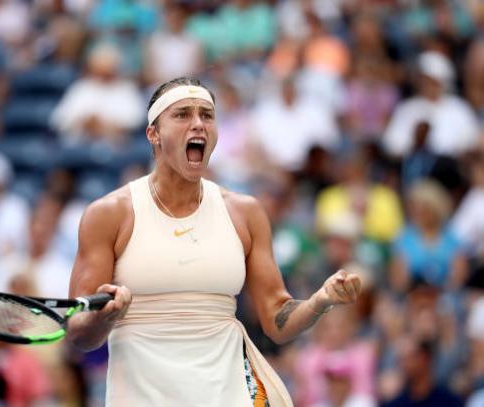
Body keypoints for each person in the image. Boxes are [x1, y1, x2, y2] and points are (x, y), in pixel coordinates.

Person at [66, 77, 362, 406]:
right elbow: (78, 332)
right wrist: (104, 316)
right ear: (154, 134)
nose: (199, 124)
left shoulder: (245, 212)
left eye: (207, 115)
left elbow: (278, 320)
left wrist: (321, 300)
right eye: (182, 115)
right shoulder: (108, 214)